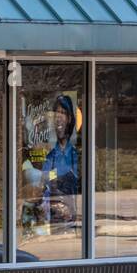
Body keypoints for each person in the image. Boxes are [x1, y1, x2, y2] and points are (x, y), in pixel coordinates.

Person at [40, 94, 80, 227]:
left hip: (70, 210)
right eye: (56, 112)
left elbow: (77, 178)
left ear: (69, 118)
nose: (58, 116)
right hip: (52, 210)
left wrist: (56, 175)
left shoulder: (74, 153)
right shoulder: (50, 154)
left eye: (63, 113)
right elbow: (44, 177)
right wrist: (55, 175)